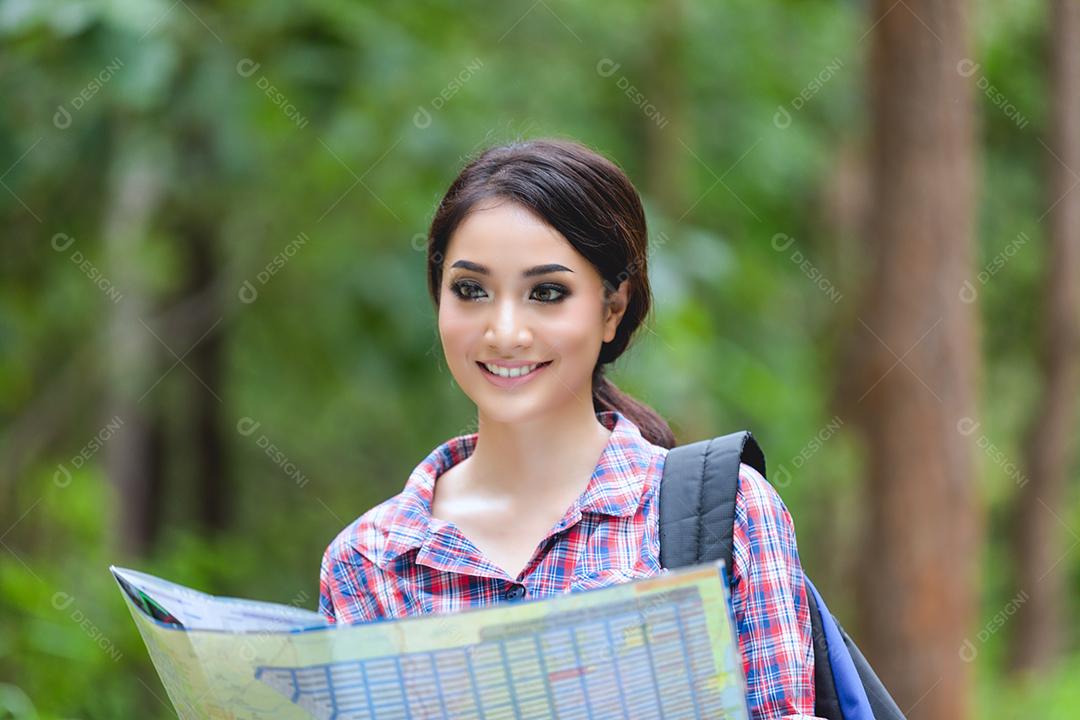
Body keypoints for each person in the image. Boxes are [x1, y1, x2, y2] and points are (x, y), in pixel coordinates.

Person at [319, 137, 819, 718]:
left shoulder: (729, 516)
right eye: (471, 290)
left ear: (612, 308)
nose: (505, 331)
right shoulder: (369, 562)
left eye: (547, 293)